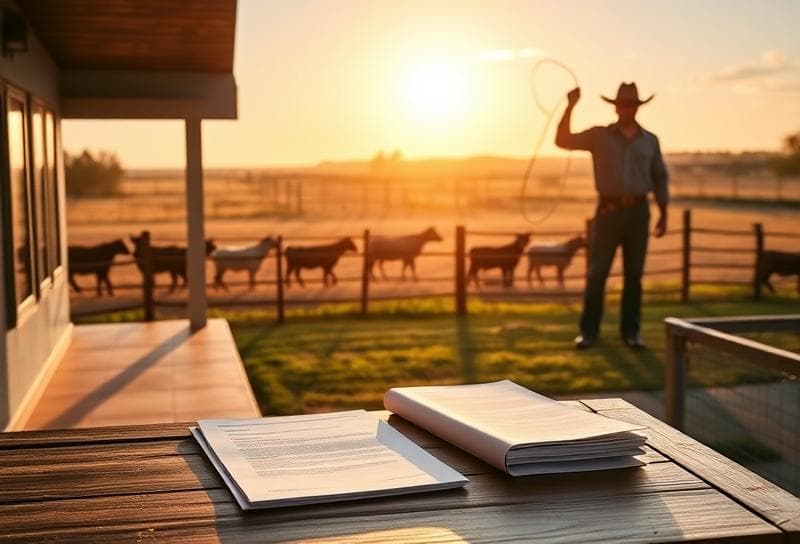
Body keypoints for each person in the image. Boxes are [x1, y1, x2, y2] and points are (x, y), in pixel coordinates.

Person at [555, 82, 669, 350]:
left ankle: (631, 333)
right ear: (616, 107)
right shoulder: (599, 136)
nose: (625, 108)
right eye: (622, 104)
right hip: (607, 212)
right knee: (597, 273)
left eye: (630, 104)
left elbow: (660, 177)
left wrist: (664, 213)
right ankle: (589, 332)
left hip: (639, 212)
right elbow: (563, 140)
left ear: (637, 107)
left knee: (634, 276)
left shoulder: (650, 141)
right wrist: (570, 106)